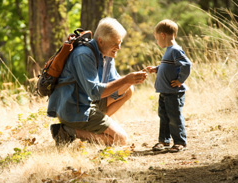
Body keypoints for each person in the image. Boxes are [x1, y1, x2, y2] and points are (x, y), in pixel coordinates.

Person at [47, 17, 147, 146]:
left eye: (120, 42)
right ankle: (68, 131)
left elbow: (114, 89)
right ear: (101, 41)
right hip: (74, 109)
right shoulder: (83, 55)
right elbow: (95, 92)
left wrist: (130, 81)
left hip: (88, 103)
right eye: (115, 43)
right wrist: (126, 79)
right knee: (121, 140)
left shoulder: (107, 55)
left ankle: (94, 126)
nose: (119, 47)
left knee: (129, 90)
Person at [146, 19, 192, 152]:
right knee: (163, 116)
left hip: (173, 92)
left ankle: (180, 142)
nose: (156, 42)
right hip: (164, 91)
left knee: (174, 117)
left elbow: (187, 65)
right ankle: (164, 141)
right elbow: (167, 66)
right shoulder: (169, 51)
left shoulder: (175, 50)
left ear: (162, 35)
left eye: (156, 38)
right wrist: (156, 69)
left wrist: (180, 80)